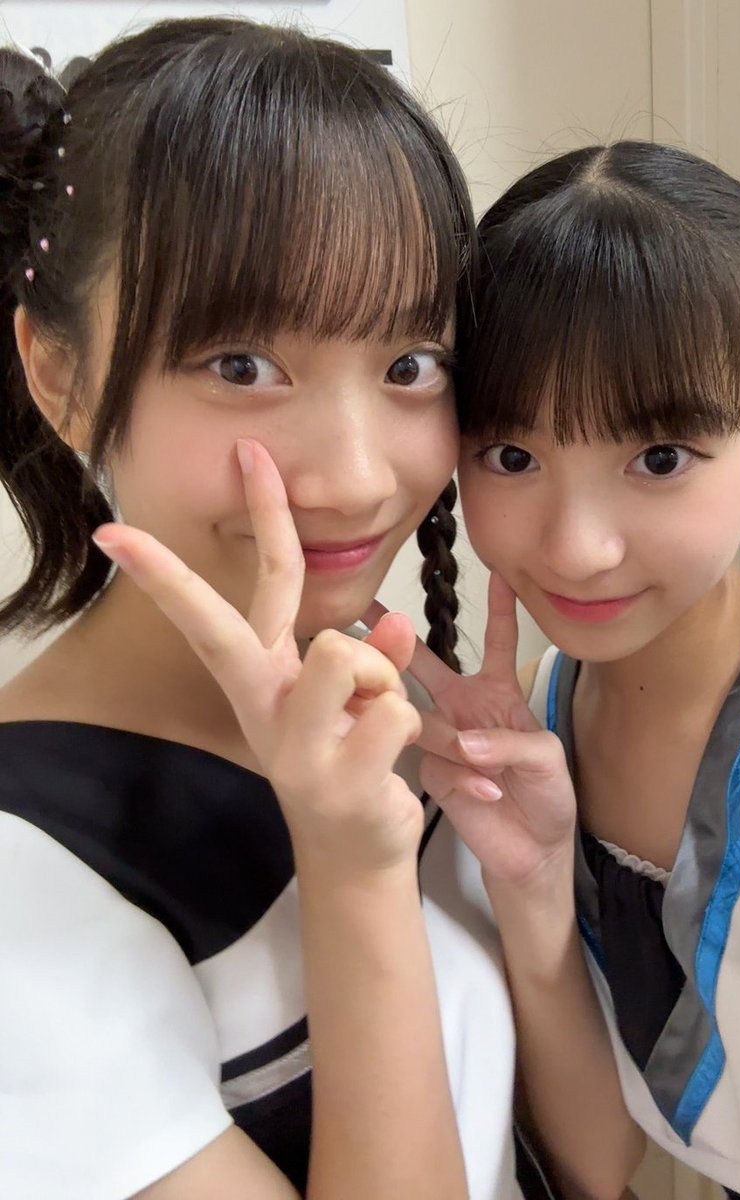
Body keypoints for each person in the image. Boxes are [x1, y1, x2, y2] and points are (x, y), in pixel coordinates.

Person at [0, 18, 533, 1200]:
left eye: (410, 363)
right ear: (60, 376)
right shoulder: (25, 876)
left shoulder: (384, 693)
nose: (355, 477)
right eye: (240, 365)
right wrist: (351, 873)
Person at [417, 141, 740, 1200]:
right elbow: (601, 1161)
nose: (577, 549)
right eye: (511, 456)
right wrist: (531, 891)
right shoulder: (545, 710)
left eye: (658, 459)